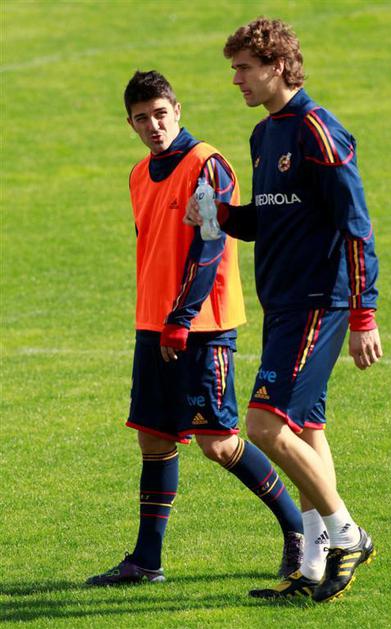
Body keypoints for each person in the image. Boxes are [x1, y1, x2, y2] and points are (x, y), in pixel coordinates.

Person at [185, 18, 382, 603]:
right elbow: (270, 219)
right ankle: (313, 567)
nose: (236, 79)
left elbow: (356, 225)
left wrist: (364, 315)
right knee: (306, 430)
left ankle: (348, 535)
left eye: (245, 68)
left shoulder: (319, 130)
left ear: (277, 66)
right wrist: (222, 215)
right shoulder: (263, 135)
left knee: (265, 426)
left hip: (319, 301)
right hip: (283, 302)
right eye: (234, 69)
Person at [85, 70, 305, 587]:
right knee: (153, 438)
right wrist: (161, 320)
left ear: (177, 110)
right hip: (154, 324)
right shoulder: (139, 174)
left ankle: (299, 531)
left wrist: (182, 318)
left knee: (218, 442)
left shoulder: (207, 164)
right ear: (130, 124)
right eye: (142, 118)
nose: (154, 126)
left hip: (202, 326)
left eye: (161, 114)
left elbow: (210, 243)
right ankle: (147, 561)